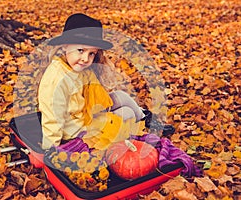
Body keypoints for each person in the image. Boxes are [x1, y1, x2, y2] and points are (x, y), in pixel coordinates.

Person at [38, 13, 173, 150]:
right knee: (127, 113)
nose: (86, 58)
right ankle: (138, 127)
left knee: (120, 96)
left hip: (86, 112)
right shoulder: (56, 79)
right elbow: (53, 118)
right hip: (78, 131)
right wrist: (51, 150)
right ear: (64, 46)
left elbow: (95, 95)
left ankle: (144, 120)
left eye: (91, 53)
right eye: (81, 50)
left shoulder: (77, 68)